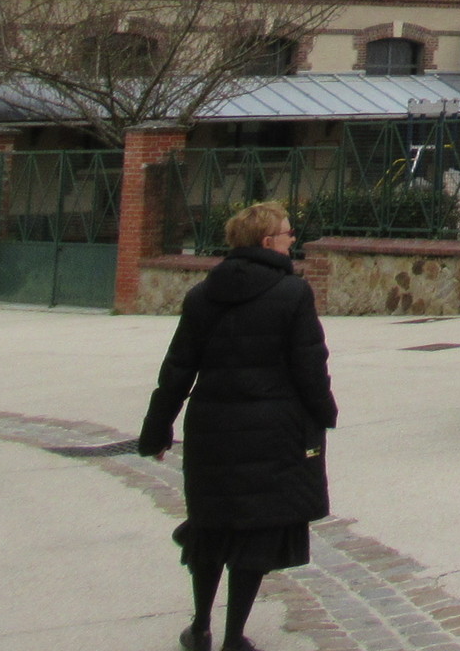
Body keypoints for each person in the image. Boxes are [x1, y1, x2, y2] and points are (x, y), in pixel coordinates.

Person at [137, 201, 337, 651]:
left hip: (210, 431)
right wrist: (324, 412)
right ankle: (233, 638)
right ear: (267, 242)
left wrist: (157, 430)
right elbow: (311, 365)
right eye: (288, 233)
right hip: (272, 430)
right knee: (255, 531)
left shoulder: (202, 295)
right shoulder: (293, 293)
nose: (293, 239)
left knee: (211, 525)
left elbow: (177, 369)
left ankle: (200, 627)